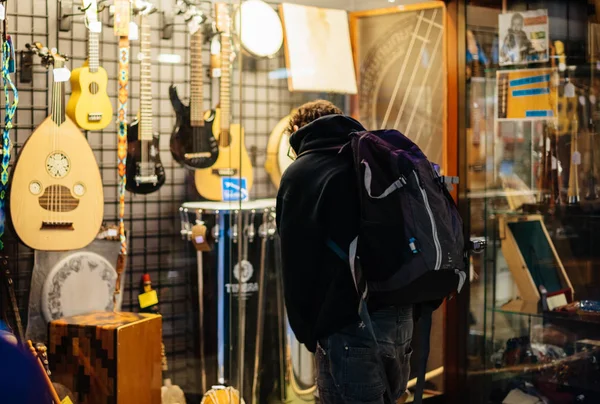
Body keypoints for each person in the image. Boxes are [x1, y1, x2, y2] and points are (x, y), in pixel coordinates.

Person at [276, 100, 412, 404]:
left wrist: (307, 332)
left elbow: (295, 266)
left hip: (348, 325)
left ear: (298, 131)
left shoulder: (302, 172)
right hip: (400, 319)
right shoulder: (376, 158)